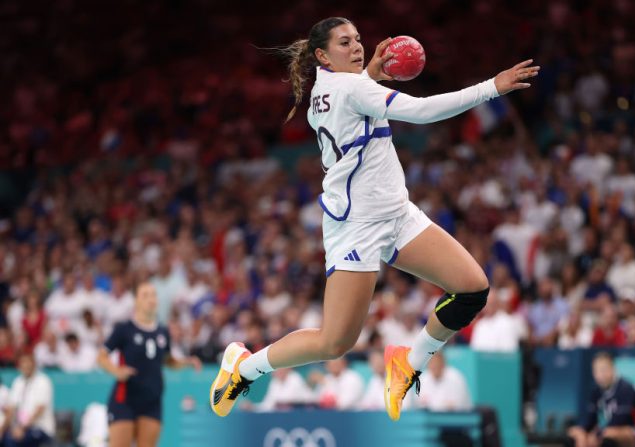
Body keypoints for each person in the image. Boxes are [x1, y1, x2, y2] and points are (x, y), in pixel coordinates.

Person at [210, 16, 540, 422]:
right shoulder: (351, 87)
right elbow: (420, 111)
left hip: (397, 213)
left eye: (358, 40)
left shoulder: (327, 90)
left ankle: (408, 363)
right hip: (357, 227)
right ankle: (244, 367)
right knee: (335, 343)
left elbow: (355, 103)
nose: (357, 47)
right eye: (345, 43)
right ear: (321, 55)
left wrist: (368, 75)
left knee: (472, 288)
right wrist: (492, 87)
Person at [97, 282, 201, 447]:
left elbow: (167, 361)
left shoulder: (162, 332)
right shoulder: (124, 329)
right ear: (136, 301)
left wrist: (187, 362)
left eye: (153, 295)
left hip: (152, 401)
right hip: (125, 399)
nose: (150, 299)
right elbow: (101, 357)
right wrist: (116, 371)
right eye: (145, 295)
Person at [567, 352, 635, 447]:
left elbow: (620, 420)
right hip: (606, 430)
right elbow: (590, 419)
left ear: (613, 369)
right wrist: (581, 431)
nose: (600, 374)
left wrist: (597, 434)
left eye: (603, 370)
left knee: (608, 436)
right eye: (596, 371)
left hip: (633, 431)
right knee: (574, 435)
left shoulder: (625, 389)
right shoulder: (595, 391)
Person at [2, 353, 54, 447]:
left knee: (13, 442)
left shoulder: (43, 381)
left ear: (33, 364)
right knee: (5, 438)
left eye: (27, 363)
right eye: (22, 363)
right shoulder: (18, 382)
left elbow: (39, 410)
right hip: (18, 427)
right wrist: (3, 428)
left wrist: (22, 428)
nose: (25, 366)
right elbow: (11, 408)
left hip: (39, 427)